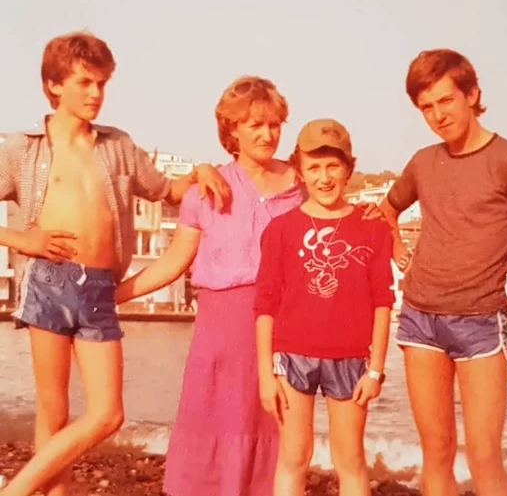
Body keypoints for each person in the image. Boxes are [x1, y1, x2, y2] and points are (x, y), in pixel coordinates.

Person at [115, 78, 382, 496]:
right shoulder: (206, 190)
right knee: (216, 425)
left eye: (274, 124)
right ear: (231, 130)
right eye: (255, 124)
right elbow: (173, 262)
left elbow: (343, 217)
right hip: (220, 329)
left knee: (282, 441)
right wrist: (116, 295)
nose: (266, 134)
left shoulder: (301, 183)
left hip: (285, 327)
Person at [0, 31, 229, 496]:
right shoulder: (22, 147)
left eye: (102, 83)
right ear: (54, 86)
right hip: (47, 280)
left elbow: (167, 190)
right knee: (54, 412)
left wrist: (204, 172)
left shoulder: (117, 145)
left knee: (108, 414)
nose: (95, 94)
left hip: (101, 287)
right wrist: (23, 239)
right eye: (85, 82)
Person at [379, 49, 507, 496]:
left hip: (481, 322)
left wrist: (497, 263)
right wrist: (403, 254)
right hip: (420, 319)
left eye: (446, 101)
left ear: (472, 94)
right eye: (427, 107)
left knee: (484, 457)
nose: (438, 115)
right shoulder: (424, 162)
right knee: (437, 453)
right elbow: (383, 212)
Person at [255, 119, 395, 496]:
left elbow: (384, 302)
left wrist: (377, 370)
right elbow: (265, 303)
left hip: (351, 360)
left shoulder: (374, 228)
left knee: (350, 460)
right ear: (300, 171)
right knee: (294, 456)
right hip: (292, 357)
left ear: (349, 168)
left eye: (333, 166)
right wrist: (265, 375)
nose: (324, 177)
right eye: (314, 167)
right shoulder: (281, 230)